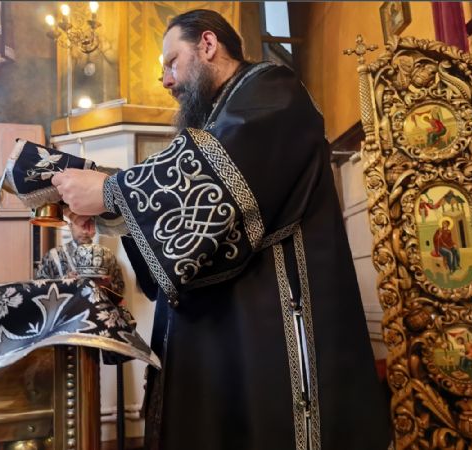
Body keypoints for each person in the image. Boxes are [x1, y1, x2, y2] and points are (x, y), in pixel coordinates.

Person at [51, 9, 390, 450]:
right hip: (228, 338)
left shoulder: (273, 91)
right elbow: (198, 219)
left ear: (208, 45)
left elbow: (217, 175)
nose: (166, 80)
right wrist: (112, 213)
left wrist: (110, 191)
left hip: (272, 336)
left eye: (172, 62)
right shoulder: (218, 117)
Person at [35, 209, 125, 297]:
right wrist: (65, 282)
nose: (84, 231)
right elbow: (38, 289)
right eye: (80, 224)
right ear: (70, 226)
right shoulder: (53, 256)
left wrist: (107, 285)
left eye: (89, 224)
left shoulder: (107, 256)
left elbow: (120, 288)